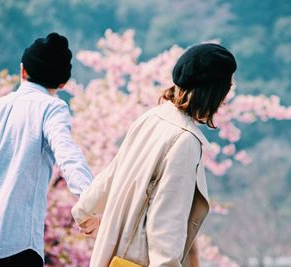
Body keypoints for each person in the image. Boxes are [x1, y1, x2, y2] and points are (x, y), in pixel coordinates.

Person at [72, 43, 237, 266]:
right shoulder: (185, 141)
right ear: (215, 94)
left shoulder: (152, 117)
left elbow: (114, 172)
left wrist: (84, 211)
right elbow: (166, 222)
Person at [0, 32, 93, 266]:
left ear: (22, 70)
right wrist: (90, 203)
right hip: (20, 247)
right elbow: (68, 155)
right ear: (63, 83)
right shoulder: (51, 108)